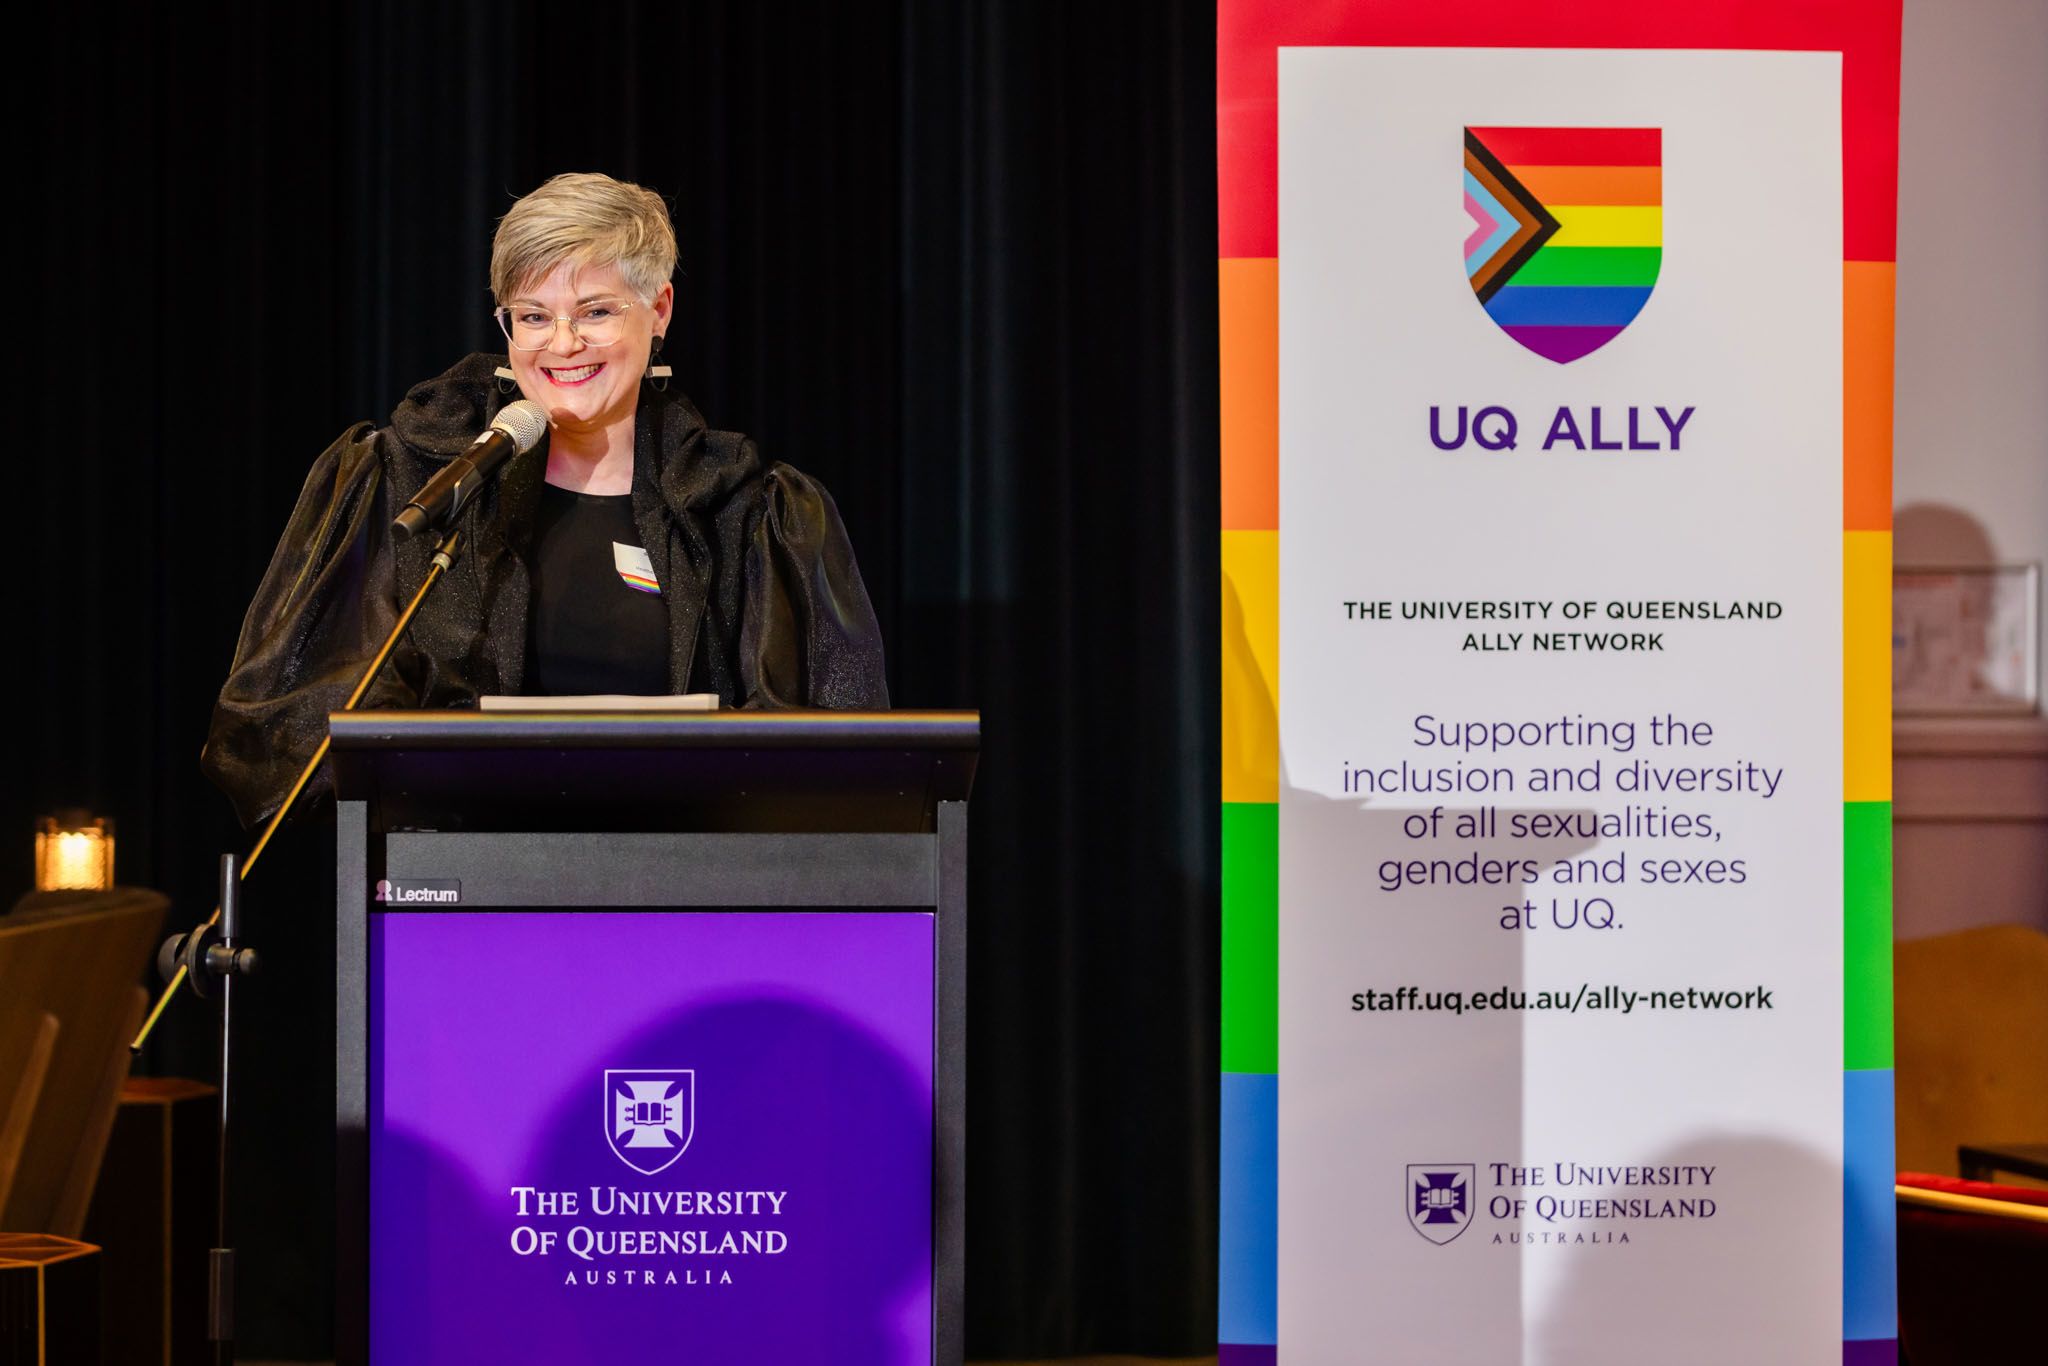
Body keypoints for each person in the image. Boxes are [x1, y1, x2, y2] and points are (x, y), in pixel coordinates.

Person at [201, 173, 888, 829]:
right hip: (463, 904)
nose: (563, 344)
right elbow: (286, 730)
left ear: (660, 311)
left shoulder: (741, 512)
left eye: (595, 312)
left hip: (683, 906)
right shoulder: (419, 486)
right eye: (534, 316)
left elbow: (825, 769)